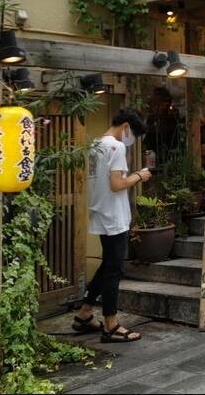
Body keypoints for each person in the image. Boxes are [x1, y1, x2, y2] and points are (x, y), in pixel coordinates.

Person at [72, 108, 151, 343]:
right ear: (125, 126)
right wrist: (140, 175)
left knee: (108, 265)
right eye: (133, 134)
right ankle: (111, 325)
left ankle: (84, 314)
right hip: (114, 216)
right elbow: (117, 184)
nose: (132, 139)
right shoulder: (116, 147)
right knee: (114, 270)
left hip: (100, 211)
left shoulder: (96, 145)